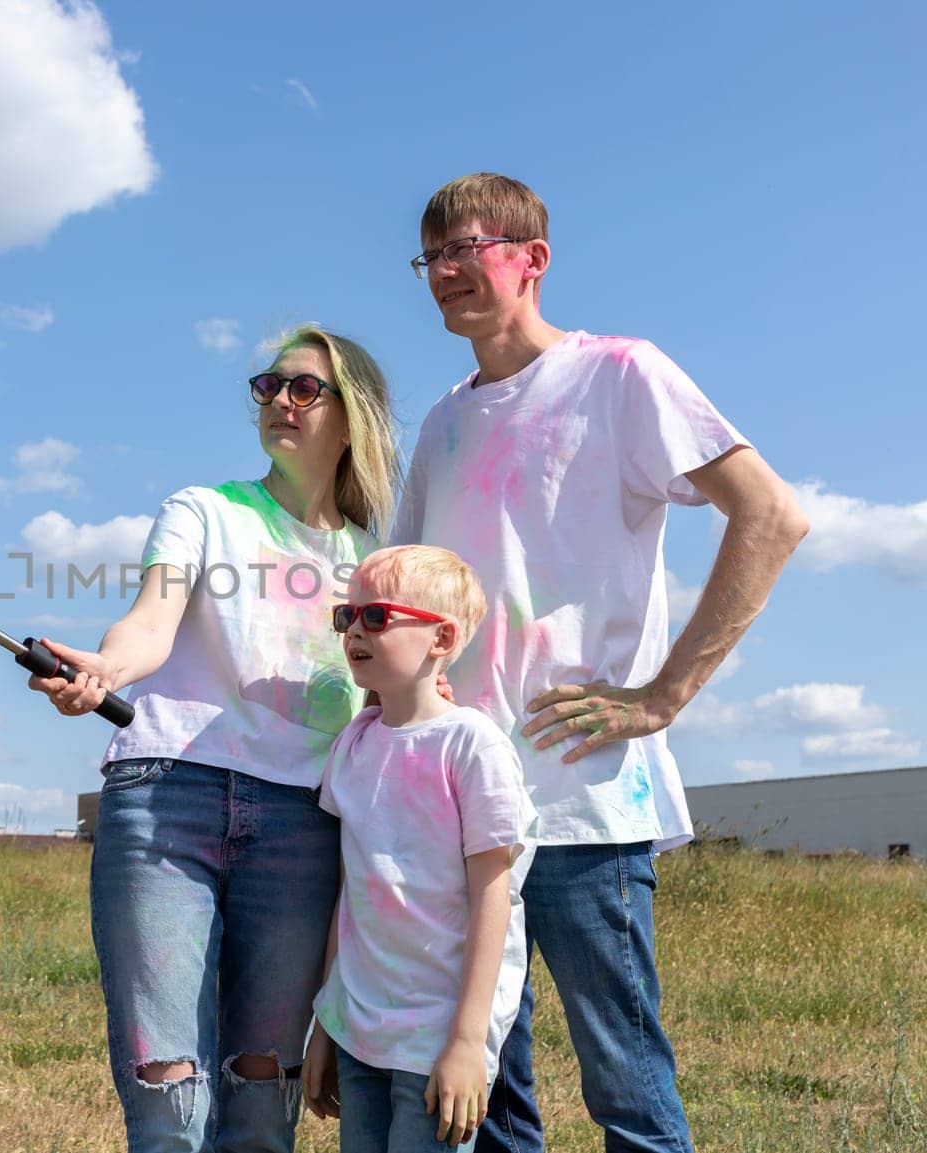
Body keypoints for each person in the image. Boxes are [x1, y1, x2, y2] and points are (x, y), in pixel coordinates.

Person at [394, 173, 810, 1153]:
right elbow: (411, 592)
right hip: (461, 800)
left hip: (583, 795)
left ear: (532, 258)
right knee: (484, 1091)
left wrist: (663, 694)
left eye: (469, 247)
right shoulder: (444, 423)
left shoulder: (621, 374)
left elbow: (773, 514)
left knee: (627, 1090)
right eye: (431, 256)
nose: (448, 270)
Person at [29, 325, 399, 1152]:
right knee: (169, 1093)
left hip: (305, 826)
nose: (280, 402)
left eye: (305, 388)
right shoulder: (204, 511)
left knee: (265, 1095)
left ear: (353, 414)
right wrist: (105, 669)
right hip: (169, 799)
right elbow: (150, 623)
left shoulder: (374, 561)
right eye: (269, 387)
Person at [301, 545, 536, 1153]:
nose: (353, 629)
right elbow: (352, 893)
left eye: (375, 616)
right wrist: (329, 1019)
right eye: (346, 616)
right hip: (360, 1028)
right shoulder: (353, 745)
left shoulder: (472, 745)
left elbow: (495, 897)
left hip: (436, 1035)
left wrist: (466, 1040)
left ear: (442, 638)